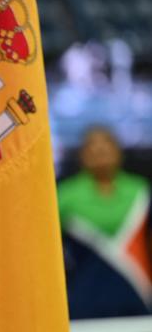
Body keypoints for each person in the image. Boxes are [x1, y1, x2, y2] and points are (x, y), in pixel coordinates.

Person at [58, 126, 152, 318]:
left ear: (119, 152)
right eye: (92, 147)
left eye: (106, 145)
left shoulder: (141, 191)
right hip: (84, 297)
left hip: (137, 292)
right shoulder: (65, 196)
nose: (100, 151)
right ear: (82, 155)